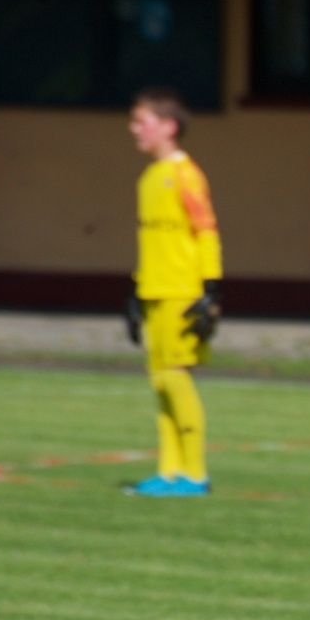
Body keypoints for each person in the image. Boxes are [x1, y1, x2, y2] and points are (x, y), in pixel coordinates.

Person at [124, 87, 221, 497]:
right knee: (160, 382)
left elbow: (206, 231)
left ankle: (195, 475)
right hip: (155, 292)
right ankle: (168, 472)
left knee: (177, 380)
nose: (134, 130)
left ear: (169, 126)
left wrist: (209, 291)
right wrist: (135, 293)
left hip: (183, 292)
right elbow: (152, 243)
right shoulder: (148, 178)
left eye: (141, 122)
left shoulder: (185, 174)